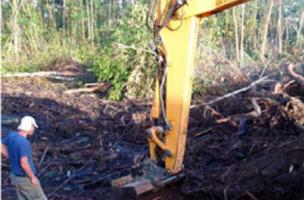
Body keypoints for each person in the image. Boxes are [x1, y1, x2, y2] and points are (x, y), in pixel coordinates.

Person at [1, 116, 48, 200]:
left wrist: (9, 156)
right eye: (33, 126)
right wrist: (32, 177)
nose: (33, 129)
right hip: (25, 179)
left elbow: (1, 145)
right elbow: (24, 163)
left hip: (15, 178)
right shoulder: (23, 142)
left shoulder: (12, 136)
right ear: (28, 127)